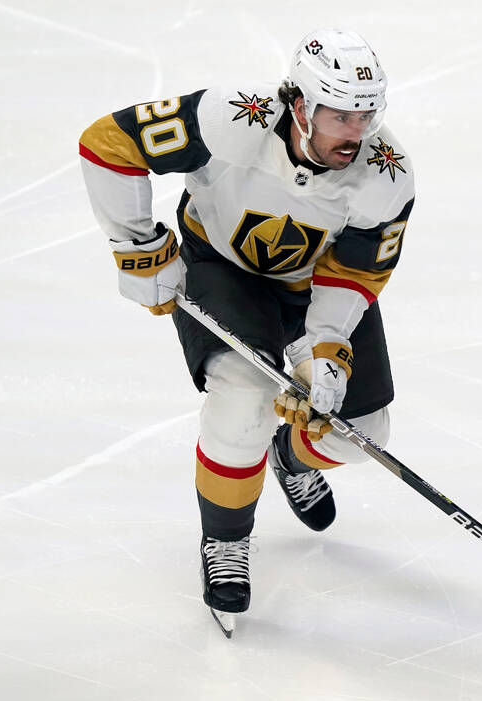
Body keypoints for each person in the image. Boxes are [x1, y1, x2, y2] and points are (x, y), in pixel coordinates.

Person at [78, 29, 414, 633]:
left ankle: (289, 457)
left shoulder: (386, 176)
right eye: (341, 116)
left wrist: (326, 353)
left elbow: (354, 273)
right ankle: (226, 543)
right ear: (301, 105)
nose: (357, 133)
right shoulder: (234, 118)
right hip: (221, 269)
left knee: (361, 433)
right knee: (241, 403)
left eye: (367, 115)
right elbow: (109, 144)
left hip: (313, 286)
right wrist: (137, 245)